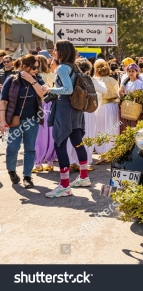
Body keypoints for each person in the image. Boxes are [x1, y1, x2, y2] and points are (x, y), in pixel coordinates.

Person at [43, 39, 90, 197]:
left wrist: (50, 89)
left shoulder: (62, 67)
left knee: (59, 143)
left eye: (55, 49)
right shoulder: (73, 66)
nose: (53, 52)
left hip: (64, 110)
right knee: (77, 142)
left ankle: (64, 186)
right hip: (75, 109)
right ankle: (84, 176)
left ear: (62, 51)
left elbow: (68, 90)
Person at [0, 54, 47, 188]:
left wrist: (32, 80)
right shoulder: (12, 80)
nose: (36, 70)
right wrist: (2, 120)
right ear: (24, 66)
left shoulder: (37, 79)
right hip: (15, 120)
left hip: (32, 120)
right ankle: (12, 171)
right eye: (34, 67)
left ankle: (27, 176)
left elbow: (43, 94)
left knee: (30, 148)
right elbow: (3, 101)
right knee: (12, 147)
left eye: (38, 67)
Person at [68, 58, 106, 172]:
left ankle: (72, 161)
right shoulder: (89, 80)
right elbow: (103, 90)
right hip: (88, 111)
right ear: (88, 69)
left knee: (74, 137)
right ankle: (84, 162)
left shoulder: (72, 79)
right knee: (88, 136)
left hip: (74, 110)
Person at [31, 55, 57, 173]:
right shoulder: (53, 75)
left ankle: (38, 164)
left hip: (40, 106)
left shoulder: (36, 77)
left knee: (39, 135)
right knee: (50, 134)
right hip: (51, 106)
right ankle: (50, 162)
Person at [92, 59, 120, 163]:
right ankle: (111, 152)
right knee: (112, 128)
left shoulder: (97, 80)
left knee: (101, 130)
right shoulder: (113, 79)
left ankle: (103, 153)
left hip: (102, 106)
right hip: (113, 106)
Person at [118, 63, 143, 132]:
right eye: (129, 71)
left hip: (135, 109)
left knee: (134, 127)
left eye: (133, 71)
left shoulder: (139, 83)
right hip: (127, 109)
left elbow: (139, 95)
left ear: (137, 72)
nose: (131, 73)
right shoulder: (126, 83)